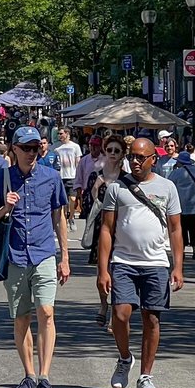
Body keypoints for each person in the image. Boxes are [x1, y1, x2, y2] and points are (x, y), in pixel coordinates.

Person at [0, 125, 70, 388]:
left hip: (44, 252)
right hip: (15, 255)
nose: (32, 153)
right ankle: (29, 375)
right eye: (26, 148)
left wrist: (65, 257)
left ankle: (45, 377)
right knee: (22, 317)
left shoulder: (51, 177)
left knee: (46, 312)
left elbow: (59, 218)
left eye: (36, 148)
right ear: (14, 149)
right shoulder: (2, 178)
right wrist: (4, 208)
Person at [97, 137, 184, 388]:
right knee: (120, 315)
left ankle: (145, 377)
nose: (134, 161)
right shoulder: (117, 188)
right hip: (124, 262)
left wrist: (178, 266)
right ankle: (125, 358)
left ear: (152, 160)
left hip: (156, 263)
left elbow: (176, 228)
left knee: (152, 319)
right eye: (131, 156)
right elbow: (106, 229)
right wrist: (102, 270)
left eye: (140, 157)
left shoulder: (167, 187)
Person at [81, 133, 126, 323]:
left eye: (117, 151)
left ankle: (116, 312)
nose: (112, 154)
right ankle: (103, 303)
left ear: (123, 154)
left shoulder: (127, 179)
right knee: (102, 271)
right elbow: (87, 205)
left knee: (119, 272)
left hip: (122, 228)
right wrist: (95, 189)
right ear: (104, 152)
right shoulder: (95, 177)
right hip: (101, 227)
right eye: (109, 150)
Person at [167, 149, 195, 261]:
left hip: (180, 204)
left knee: (181, 228)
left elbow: (169, 184)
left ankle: (181, 251)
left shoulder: (176, 172)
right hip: (194, 204)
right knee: (194, 228)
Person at [54, 128, 82, 229]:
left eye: (61, 133)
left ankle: (71, 217)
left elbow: (78, 162)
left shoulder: (75, 146)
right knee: (63, 201)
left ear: (67, 134)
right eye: (58, 134)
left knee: (72, 198)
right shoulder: (56, 147)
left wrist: (79, 176)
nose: (59, 135)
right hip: (60, 177)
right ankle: (64, 220)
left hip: (72, 176)